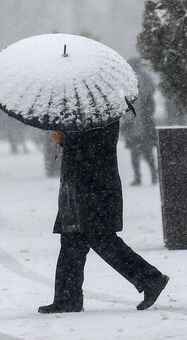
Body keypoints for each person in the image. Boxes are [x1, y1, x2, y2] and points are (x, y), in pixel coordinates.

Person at [38, 122, 169, 314]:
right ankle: (68, 299)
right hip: (81, 188)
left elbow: (94, 148)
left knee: (101, 240)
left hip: (94, 189)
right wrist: (67, 140)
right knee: (72, 240)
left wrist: (67, 140)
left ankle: (150, 278)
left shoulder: (101, 117)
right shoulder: (85, 114)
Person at [121, 59, 158, 186]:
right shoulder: (127, 80)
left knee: (145, 152)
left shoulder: (143, 80)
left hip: (142, 122)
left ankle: (152, 176)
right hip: (134, 122)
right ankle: (140, 177)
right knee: (135, 153)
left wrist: (146, 115)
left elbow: (150, 102)